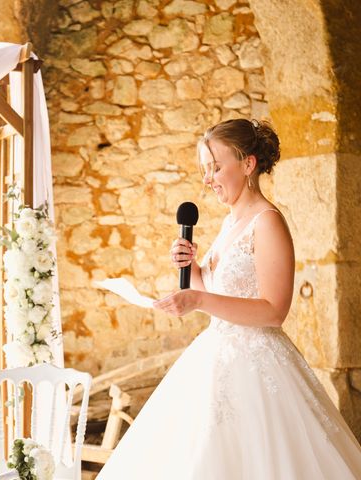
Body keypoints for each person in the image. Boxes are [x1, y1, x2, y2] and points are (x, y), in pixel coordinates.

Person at [97, 119, 361, 479]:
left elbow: (273, 310)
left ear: (248, 164)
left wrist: (197, 301)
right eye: (205, 169)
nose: (207, 179)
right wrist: (196, 268)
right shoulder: (229, 222)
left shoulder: (267, 222)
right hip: (214, 354)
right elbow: (219, 291)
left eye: (216, 167)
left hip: (259, 364)